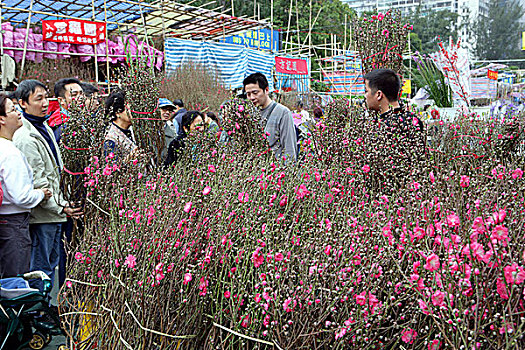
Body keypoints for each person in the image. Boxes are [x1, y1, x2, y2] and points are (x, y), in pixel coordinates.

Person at [13, 79, 83, 290]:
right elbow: (39, 181)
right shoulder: (26, 137)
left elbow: (56, 172)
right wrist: (61, 206)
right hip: (43, 215)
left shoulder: (43, 127)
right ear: (23, 103)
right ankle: (37, 313)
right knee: (41, 268)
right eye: (38, 99)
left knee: (51, 264)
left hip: (55, 211)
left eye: (46, 98)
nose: (44, 103)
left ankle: (45, 309)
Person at [0, 93, 52, 278]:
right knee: (13, 279)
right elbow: (21, 197)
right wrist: (41, 194)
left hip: (6, 219)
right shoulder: (10, 152)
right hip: (13, 222)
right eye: (13, 110)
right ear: (2, 119)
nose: (19, 113)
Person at [243, 72, 297, 163]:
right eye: (248, 94)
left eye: (255, 93)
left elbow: (289, 150)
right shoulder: (249, 114)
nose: (252, 97)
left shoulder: (282, 113)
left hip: (275, 172)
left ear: (266, 90)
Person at [364, 69, 424, 133]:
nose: (365, 96)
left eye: (366, 91)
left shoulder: (381, 128)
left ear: (379, 95)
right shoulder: (414, 121)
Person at [103, 89, 138, 163]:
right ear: (117, 112)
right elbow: (112, 169)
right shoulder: (111, 139)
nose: (135, 112)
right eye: (130, 109)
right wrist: (130, 158)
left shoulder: (133, 131)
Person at [48, 78, 84, 142]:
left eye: (81, 93)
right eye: (74, 95)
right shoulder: (61, 126)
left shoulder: (81, 118)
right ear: (61, 100)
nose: (81, 97)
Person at [158, 98, 179, 162]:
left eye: (170, 110)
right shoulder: (145, 131)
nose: (167, 112)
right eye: (164, 109)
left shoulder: (172, 132)